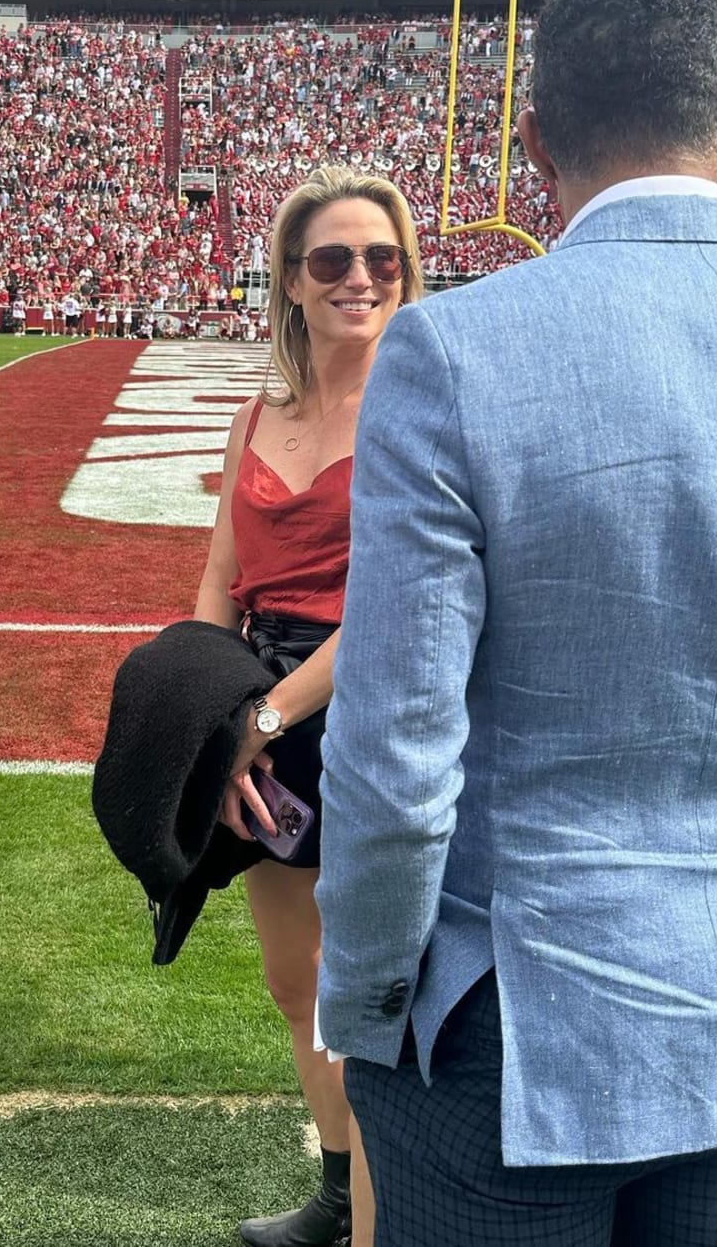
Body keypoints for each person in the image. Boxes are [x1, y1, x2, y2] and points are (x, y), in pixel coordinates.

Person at [317, 0, 717, 1247]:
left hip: (509, 1019)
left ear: (534, 143)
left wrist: (362, 1006)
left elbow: (398, 743)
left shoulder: (454, 349)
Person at [195, 165, 423, 1247]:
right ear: (291, 278)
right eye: (333, 259)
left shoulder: (415, 405)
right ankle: (338, 1195)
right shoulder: (258, 409)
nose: (360, 278)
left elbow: (387, 606)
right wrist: (209, 704)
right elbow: (218, 575)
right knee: (297, 984)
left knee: (364, 997)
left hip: (364, 705)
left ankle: (380, 1224)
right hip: (261, 707)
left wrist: (266, 717)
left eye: (382, 259)